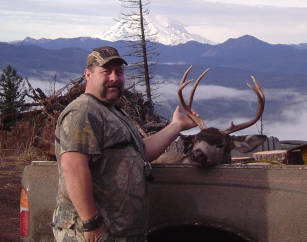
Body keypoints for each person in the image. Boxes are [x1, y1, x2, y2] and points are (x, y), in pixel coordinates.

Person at [52, 46, 200, 242]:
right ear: (88, 74)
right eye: (106, 72)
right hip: (94, 231)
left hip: (120, 231)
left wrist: (176, 126)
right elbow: (73, 167)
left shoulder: (112, 111)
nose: (114, 77)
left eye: (119, 72)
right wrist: (91, 222)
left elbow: (141, 151)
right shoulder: (83, 112)